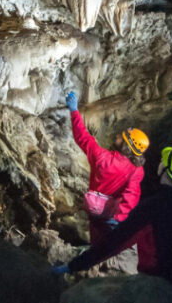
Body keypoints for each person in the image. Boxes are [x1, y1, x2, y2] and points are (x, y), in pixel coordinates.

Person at [53, 146, 172, 300]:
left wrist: (75, 265)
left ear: (166, 170)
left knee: (75, 296)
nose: (160, 163)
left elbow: (114, 243)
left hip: (157, 287)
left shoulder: (153, 207)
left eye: (163, 162)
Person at [64, 91, 149, 246]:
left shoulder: (101, 157)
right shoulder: (136, 171)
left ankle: (93, 256)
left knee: (96, 238)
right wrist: (119, 220)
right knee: (106, 245)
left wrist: (74, 111)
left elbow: (82, 137)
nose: (117, 136)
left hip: (93, 208)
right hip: (111, 215)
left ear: (125, 145)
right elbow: (131, 198)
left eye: (120, 137)